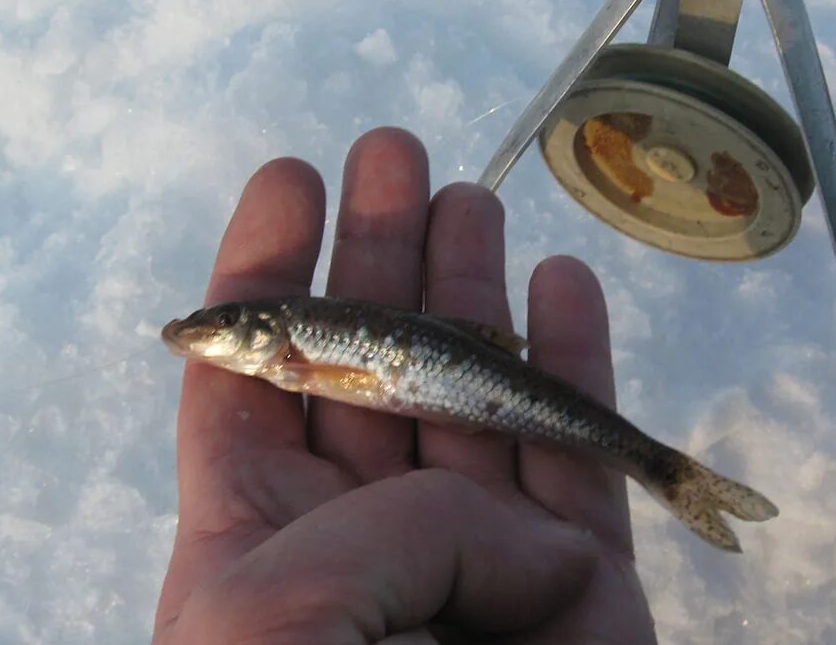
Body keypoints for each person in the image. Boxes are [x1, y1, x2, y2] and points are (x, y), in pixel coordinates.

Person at [151, 128, 659, 644]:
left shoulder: (293, 358)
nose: (202, 332)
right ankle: (646, 459)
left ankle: (651, 462)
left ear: (264, 329)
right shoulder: (284, 357)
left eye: (226, 322)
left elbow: (345, 377)